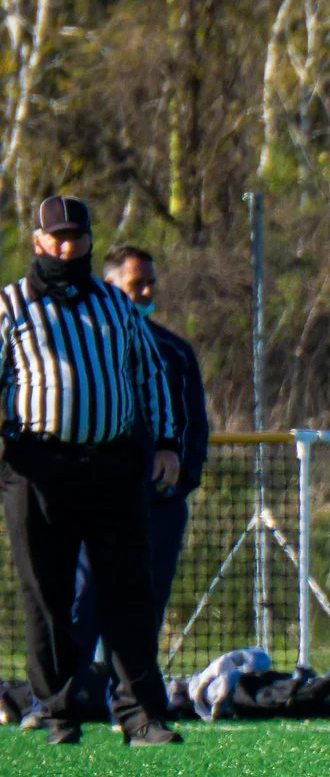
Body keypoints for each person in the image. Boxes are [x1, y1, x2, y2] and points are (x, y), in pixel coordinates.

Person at [0, 196, 185, 746]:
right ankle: (56, 711)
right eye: (55, 237)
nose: (65, 246)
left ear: (88, 240)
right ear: (38, 241)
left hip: (111, 464)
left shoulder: (114, 304)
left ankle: (141, 714)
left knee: (129, 588)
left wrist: (167, 443)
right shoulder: (12, 306)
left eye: (75, 237)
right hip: (37, 466)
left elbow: (151, 374)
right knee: (47, 592)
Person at [67, 245, 209, 732]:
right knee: (82, 601)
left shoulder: (172, 351)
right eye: (135, 284)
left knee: (144, 605)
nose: (146, 291)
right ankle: (60, 701)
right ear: (110, 289)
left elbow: (192, 430)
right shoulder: (81, 349)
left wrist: (176, 485)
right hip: (98, 501)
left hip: (158, 508)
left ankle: (133, 705)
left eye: (150, 282)